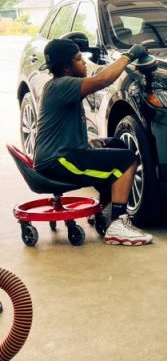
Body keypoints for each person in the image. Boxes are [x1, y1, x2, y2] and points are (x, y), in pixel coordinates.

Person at [34, 38, 153, 246]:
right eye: (79, 59)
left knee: (115, 145)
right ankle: (118, 224)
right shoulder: (63, 85)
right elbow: (103, 79)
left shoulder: (56, 86)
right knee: (127, 160)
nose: (85, 63)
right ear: (66, 67)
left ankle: (105, 211)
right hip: (59, 162)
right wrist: (130, 55)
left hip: (58, 157)